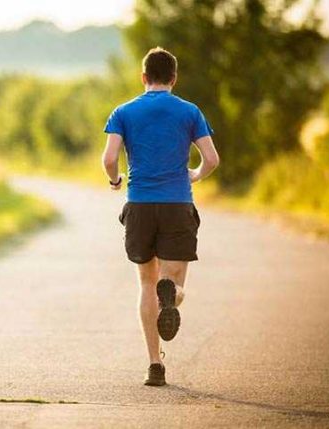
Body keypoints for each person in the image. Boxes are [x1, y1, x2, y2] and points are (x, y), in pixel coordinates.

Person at [101, 47, 220, 386]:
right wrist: (195, 174)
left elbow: (109, 158)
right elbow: (211, 159)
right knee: (174, 285)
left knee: (146, 283)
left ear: (143, 77)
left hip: (140, 205)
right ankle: (173, 296)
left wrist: (115, 180)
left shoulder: (123, 111)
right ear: (174, 78)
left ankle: (155, 365)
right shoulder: (190, 111)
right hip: (176, 204)